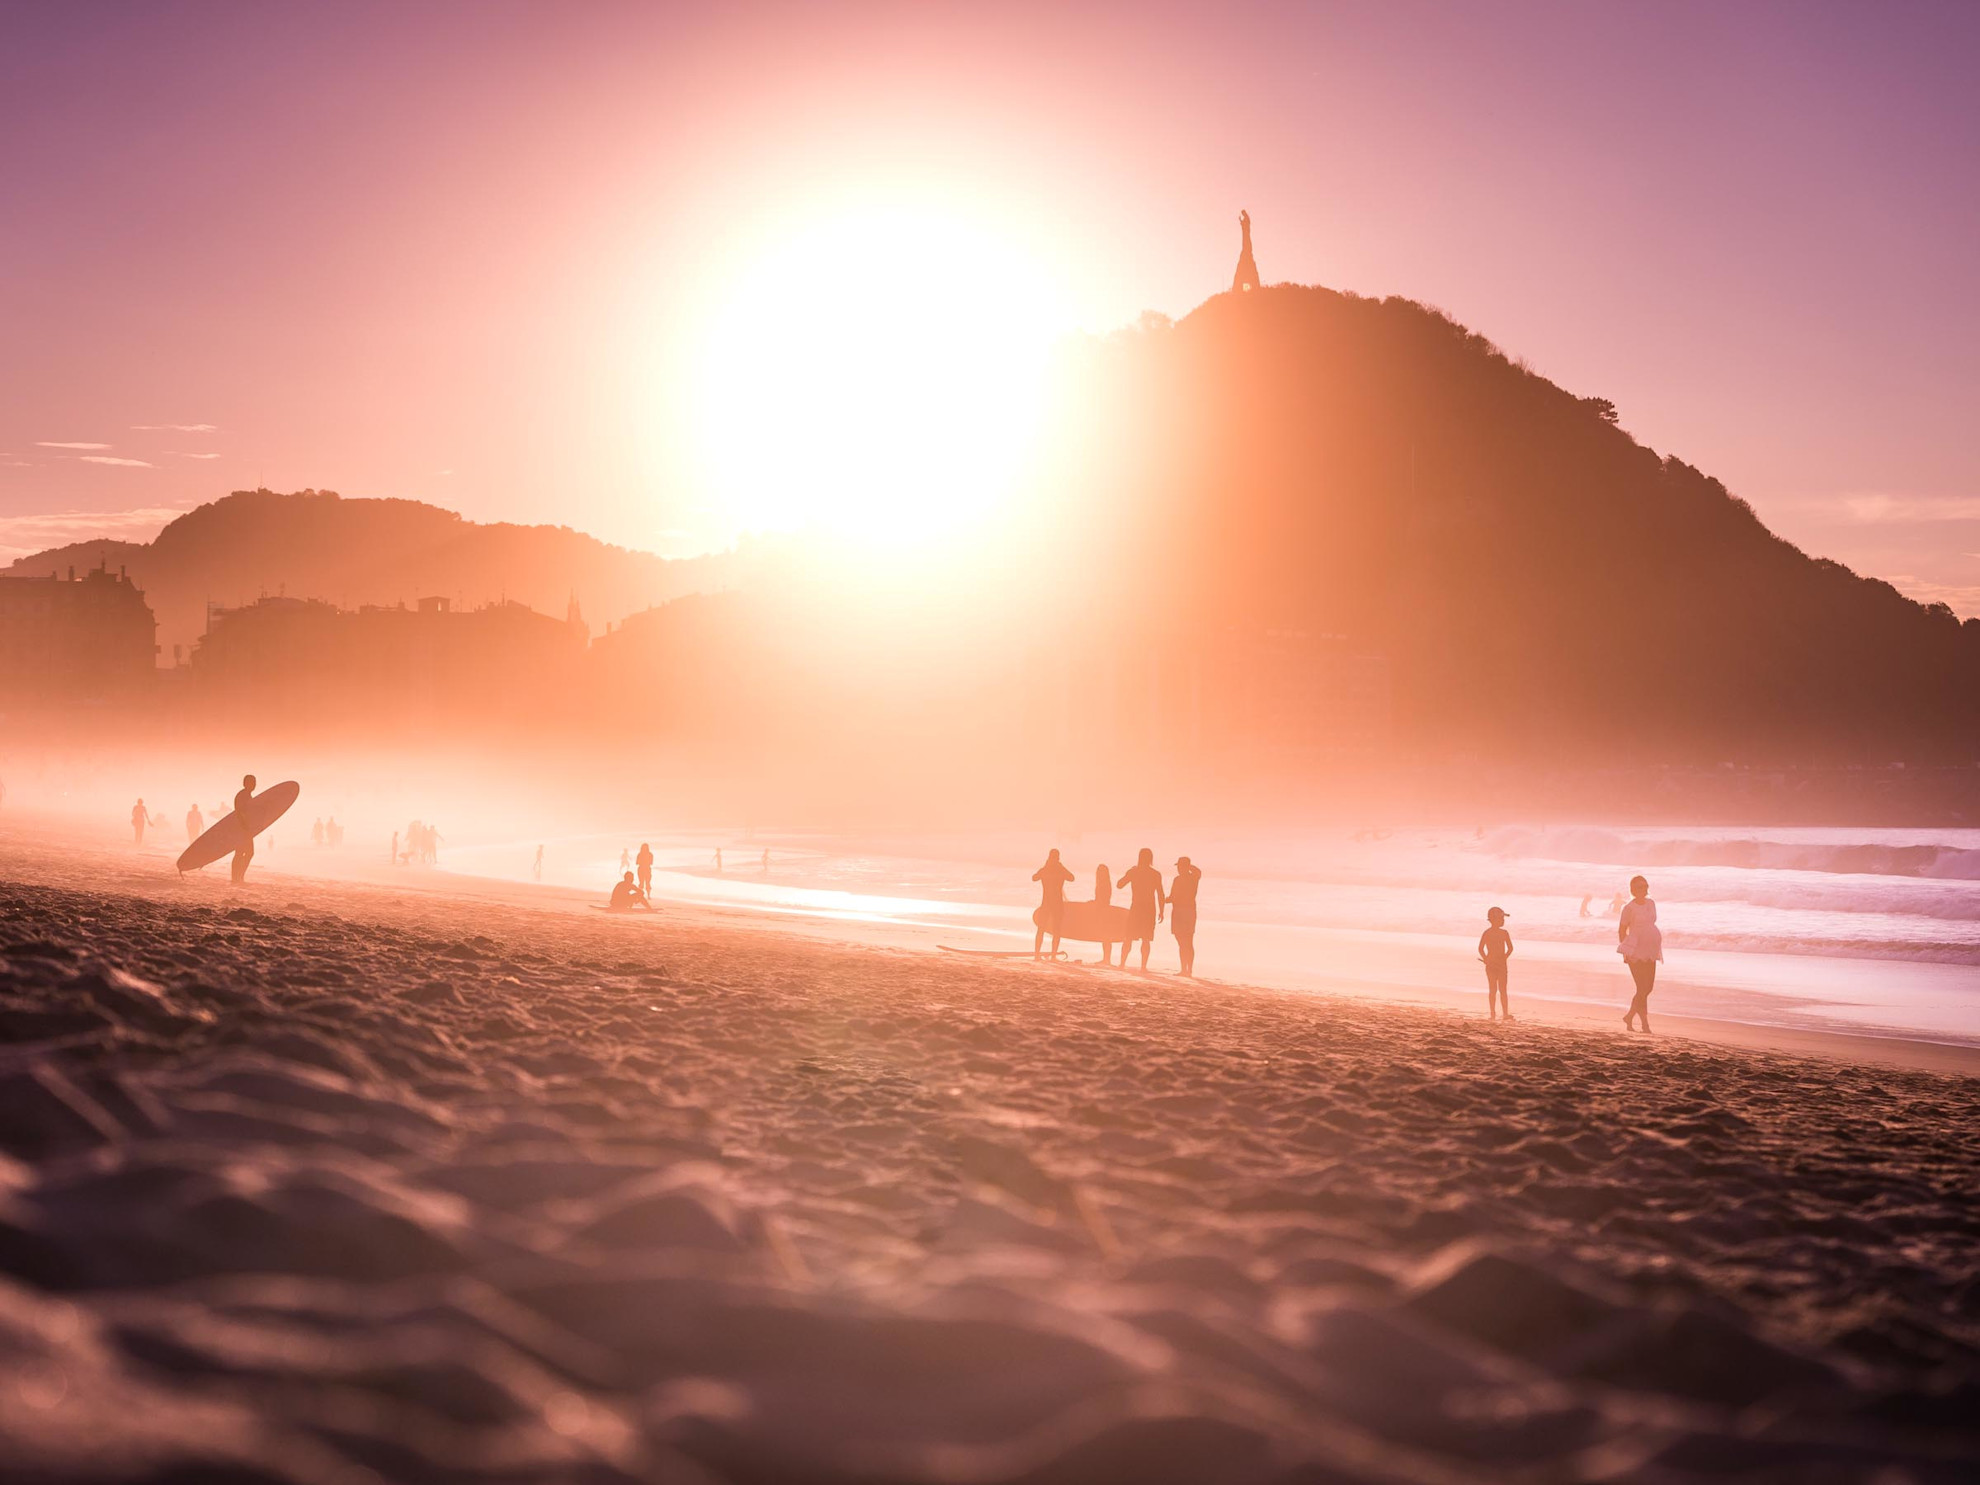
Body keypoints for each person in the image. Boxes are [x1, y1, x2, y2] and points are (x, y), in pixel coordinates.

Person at [1618, 875, 1663, 1033]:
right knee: (1641, 988)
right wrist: (1626, 951)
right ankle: (1644, 1024)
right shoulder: (1629, 908)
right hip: (1635, 952)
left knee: (1648, 987)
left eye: (1644, 886)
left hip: (1650, 951)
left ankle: (1630, 1016)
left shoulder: (1651, 903)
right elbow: (1622, 930)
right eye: (1638, 887)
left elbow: (1650, 924)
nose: (1642, 889)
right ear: (1632, 890)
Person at [1117, 848, 1166, 971]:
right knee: (1146, 939)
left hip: (1136, 907)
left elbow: (1119, 885)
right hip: (1149, 909)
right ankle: (1143, 967)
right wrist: (1162, 910)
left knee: (1128, 937)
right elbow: (1161, 893)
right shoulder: (1155, 874)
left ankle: (1122, 964)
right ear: (1151, 859)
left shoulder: (1134, 872)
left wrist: (1129, 873)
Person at [1031, 848, 1074, 959]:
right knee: (1056, 930)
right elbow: (1071, 878)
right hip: (1057, 904)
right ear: (1058, 858)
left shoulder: (1045, 870)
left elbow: (1034, 878)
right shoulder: (1060, 870)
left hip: (1046, 903)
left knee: (1041, 929)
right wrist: (1061, 867)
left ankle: (1037, 954)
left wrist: (1046, 869)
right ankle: (1053, 955)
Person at [1478, 906, 1514, 1021]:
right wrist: (1504, 958)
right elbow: (1510, 949)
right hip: (1501, 965)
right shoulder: (1504, 933)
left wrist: (1486, 959)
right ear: (1495, 920)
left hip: (1492, 965)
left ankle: (1494, 1014)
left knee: (1493, 990)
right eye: (1501, 918)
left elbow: (1480, 949)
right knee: (1501, 990)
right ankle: (1503, 1014)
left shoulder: (1487, 933)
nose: (1503, 921)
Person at [1170, 856, 1202, 976]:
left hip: (1184, 912)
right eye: (1178, 866)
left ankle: (1187, 969)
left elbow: (1198, 872)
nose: (1178, 868)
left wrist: (1189, 866)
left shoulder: (1192, 878)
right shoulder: (1180, 879)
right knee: (1184, 941)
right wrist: (1164, 900)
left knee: (1186, 941)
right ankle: (1186, 969)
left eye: (1180, 866)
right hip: (1182, 911)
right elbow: (1172, 896)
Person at [230, 775, 257, 884]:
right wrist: (245, 826)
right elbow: (240, 812)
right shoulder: (242, 795)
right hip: (242, 829)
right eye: (252, 782)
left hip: (246, 829)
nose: (254, 785)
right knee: (241, 852)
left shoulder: (248, 795)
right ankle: (236, 877)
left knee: (246, 853)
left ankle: (239, 876)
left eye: (255, 783)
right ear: (245, 783)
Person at [1091, 864, 1115, 966]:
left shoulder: (1104, 883)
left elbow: (1103, 899)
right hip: (1103, 910)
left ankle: (1107, 959)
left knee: (1106, 936)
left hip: (1104, 911)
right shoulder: (1103, 882)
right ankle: (1105, 959)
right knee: (1105, 936)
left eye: (1100, 871)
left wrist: (1095, 903)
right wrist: (1094, 902)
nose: (1098, 873)